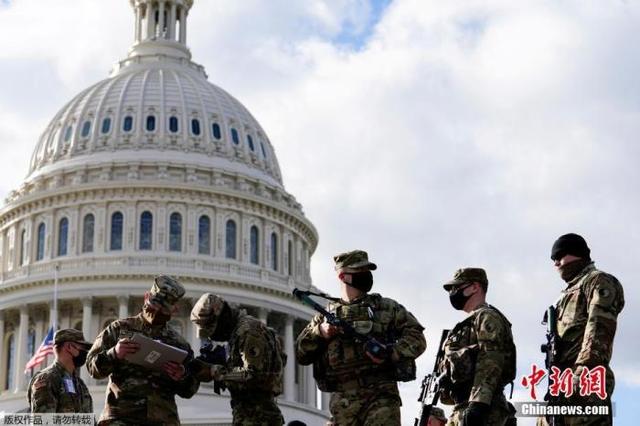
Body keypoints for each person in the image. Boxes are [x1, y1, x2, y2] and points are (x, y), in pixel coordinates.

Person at [295, 249, 426, 426]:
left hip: (381, 396)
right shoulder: (325, 316)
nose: (366, 276)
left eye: (367, 271)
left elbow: (417, 337)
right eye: (360, 272)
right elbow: (301, 353)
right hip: (343, 401)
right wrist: (321, 332)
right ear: (343, 276)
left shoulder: (385, 307)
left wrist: (392, 353)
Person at [86, 275, 199, 425]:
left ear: (174, 310)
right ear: (146, 297)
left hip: (163, 420)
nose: (157, 311)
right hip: (121, 418)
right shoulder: (119, 329)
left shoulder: (179, 344)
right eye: (154, 304)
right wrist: (114, 354)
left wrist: (182, 376)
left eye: (163, 309)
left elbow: (190, 389)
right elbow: (91, 366)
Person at [537, 233, 624, 426]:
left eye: (560, 256)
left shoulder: (598, 281)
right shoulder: (564, 295)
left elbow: (598, 330)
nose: (556, 263)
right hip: (561, 387)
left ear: (577, 254)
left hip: (584, 387)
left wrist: (581, 375)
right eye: (553, 260)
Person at [190, 293, 285, 425]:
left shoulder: (249, 331)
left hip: (259, 417)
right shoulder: (238, 333)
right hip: (248, 413)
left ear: (223, 318)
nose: (213, 337)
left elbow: (252, 374)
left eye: (213, 330)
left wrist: (215, 372)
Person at [438, 267, 516, 426]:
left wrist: (478, 403)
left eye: (457, 287)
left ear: (475, 287)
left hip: (483, 408)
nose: (452, 293)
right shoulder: (466, 324)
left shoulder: (487, 316)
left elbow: (490, 360)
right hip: (462, 406)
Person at [27, 328, 93, 413]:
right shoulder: (47, 379)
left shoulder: (80, 384)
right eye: (82, 347)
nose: (85, 352)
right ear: (69, 347)